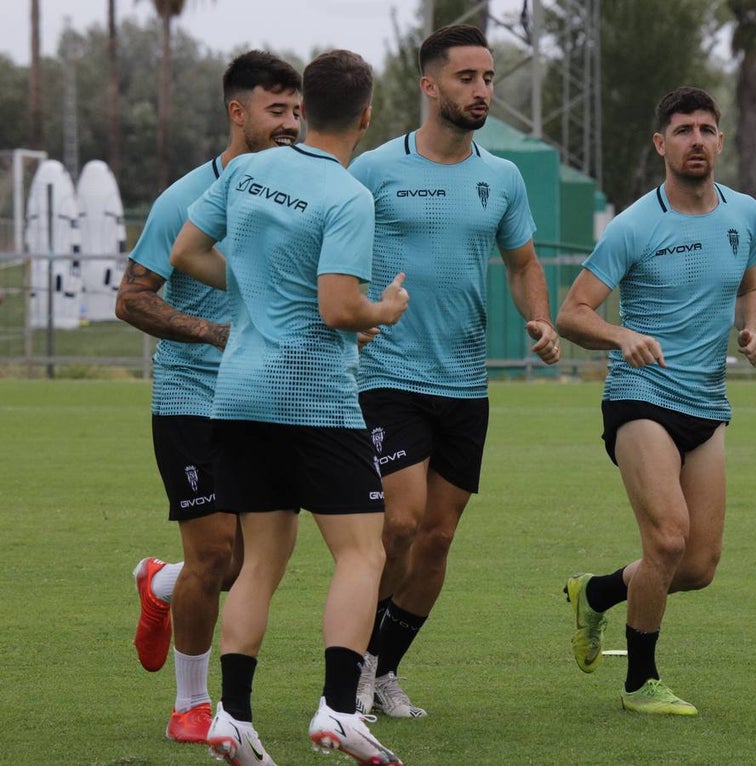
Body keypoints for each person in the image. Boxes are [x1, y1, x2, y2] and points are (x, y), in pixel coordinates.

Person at [170, 49, 406, 766]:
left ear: (303, 109)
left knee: (262, 561)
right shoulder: (348, 196)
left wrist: (254, 295)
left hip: (237, 396)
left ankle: (232, 718)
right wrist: (384, 309)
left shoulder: (245, 170)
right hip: (314, 400)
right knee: (364, 552)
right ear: (366, 116)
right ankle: (339, 709)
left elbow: (187, 251)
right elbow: (339, 309)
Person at [348, 23, 560, 719]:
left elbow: (524, 263)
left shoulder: (501, 177)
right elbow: (334, 254)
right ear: (430, 85)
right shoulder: (374, 170)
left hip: (465, 383)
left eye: (490, 78)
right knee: (400, 523)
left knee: (438, 537)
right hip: (388, 375)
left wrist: (540, 319)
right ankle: (350, 666)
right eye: (467, 78)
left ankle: (382, 671)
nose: (482, 90)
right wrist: (355, 312)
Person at [555, 86, 756, 716]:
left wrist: (752, 331)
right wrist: (621, 335)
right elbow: (573, 313)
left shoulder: (746, 215)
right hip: (640, 398)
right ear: (662, 144)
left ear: (721, 140)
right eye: (683, 130)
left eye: (706, 128)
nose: (696, 139)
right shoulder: (635, 225)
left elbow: (749, 289)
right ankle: (640, 683)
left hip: (707, 405)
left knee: (697, 566)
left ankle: (594, 593)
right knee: (668, 541)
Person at [115, 50, 301, 744]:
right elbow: (131, 299)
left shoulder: (297, 195)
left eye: (297, 111)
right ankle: (191, 706)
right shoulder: (185, 200)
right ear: (237, 112)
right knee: (217, 550)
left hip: (269, 401)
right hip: (192, 397)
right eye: (275, 110)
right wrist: (212, 333)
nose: (290, 124)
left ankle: (160, 585)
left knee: (249, 562)